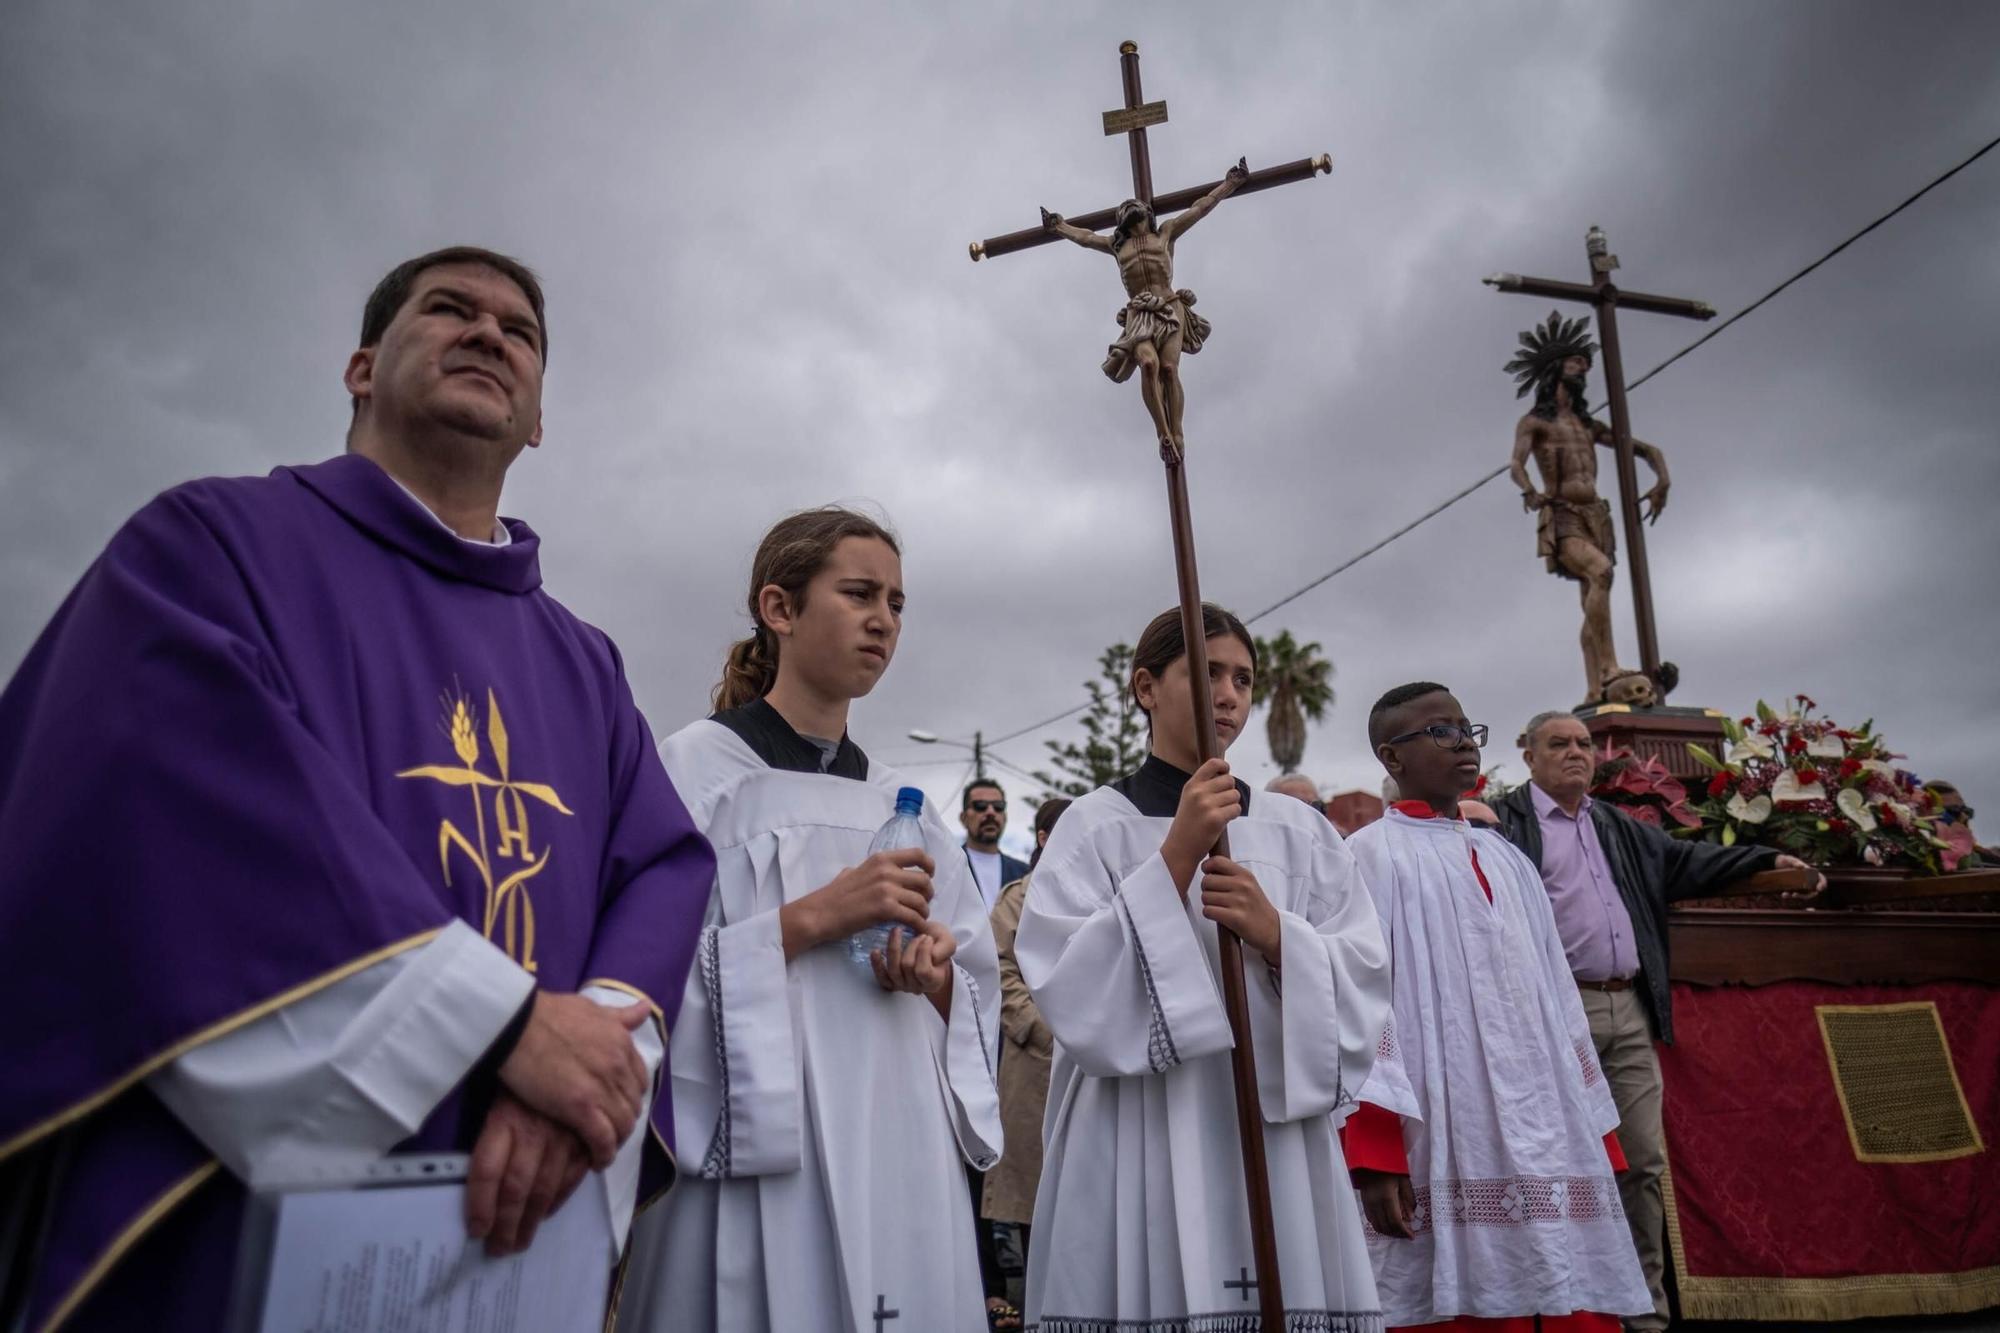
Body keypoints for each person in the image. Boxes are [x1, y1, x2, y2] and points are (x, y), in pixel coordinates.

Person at [0, 247, 715, 1331]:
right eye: (449, 310)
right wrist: (503, 1030)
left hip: (520, 1234)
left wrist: (590, 1068)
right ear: (360, 367)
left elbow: (660, 867)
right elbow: (170, 806)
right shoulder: (210, 545)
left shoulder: (585, 662)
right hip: (238, 1219)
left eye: (517, 330)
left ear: (538, 423)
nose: (488, 333)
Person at [618, 508, 1002, 1333]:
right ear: (779, 608)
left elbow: (975, 982)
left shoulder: (909, 804)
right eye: (859, 592)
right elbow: (632, 974)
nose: (884, 620)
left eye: (898, 603)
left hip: (896, 1137)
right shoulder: (691, 769)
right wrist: (810, 918)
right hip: (752, 1151)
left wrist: (936, 976)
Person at [1016, 604, 1391, 1331]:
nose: (1228, 694)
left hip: (1268, 1121)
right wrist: (1176, 856)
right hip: (1141, 1123)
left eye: (1244, 679)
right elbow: (1065, 980)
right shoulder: (1094, 823)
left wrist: (1279, 935)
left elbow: (1366, 969)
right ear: (1146, 687)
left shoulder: (1297, 829)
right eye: (1208, 672)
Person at [1493, 709, 1814, 1333]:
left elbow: (1694, 862)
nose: (1576, 753)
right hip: (1552, 1016)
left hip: (1631, 1011)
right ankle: (1565, 1312)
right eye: (1558, 743)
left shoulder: (1617, 826)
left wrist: (1774, 862)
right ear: (1528, 755)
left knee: (1640, 1163)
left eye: (1584, 743)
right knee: (1560, 1165)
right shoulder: (1503, 826)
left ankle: (1643, 1314)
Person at [1345, 683, 1651, 1331]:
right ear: (1390, 757)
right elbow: (1358, 1009)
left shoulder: (1508, 860)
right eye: (1438, 730)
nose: (1462, 741)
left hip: (1546, 1119)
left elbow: (1558, 997)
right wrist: (1375, 1152)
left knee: (1566, 1283)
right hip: (1442, 1122)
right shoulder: (1367, 858)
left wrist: (1594, 1128)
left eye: (1465, 727)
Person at [1504, 311, 1672, 703]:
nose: (1583, 368)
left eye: (1586, 363)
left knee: (1594, 595)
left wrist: (1661, 476)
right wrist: (1530, 489)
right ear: (1554, 368)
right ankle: (1610, 665)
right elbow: (1515, 463)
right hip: (1563, 513)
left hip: (1596, 514)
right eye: (1575, 361)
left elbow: (1644, 449)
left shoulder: (1587, 425)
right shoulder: (1535, 423)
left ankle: (1595, 689)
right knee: (1602, 572)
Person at [1039, 158, 1249, 454]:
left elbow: (1200, 208)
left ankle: (1177, 433)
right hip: (1138, 314)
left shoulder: (1165, 233)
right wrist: (1059, 226)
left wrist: (1229, 183)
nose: (1127, 208)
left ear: (1148, 214)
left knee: (1168, 369)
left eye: (1133, 206)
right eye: (1123, 208)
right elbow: (1086, 238)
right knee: (1148, 364)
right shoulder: (1116, 245)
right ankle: (1162, 433)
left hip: (1170, 307)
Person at [979, 796, 1071, 1325]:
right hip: (1037, 1064)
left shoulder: (1100, 888)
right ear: (1041, 839)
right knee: (1040, 1196)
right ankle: (1036, 1309)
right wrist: (1039, 1029)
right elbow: (999, 969)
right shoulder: (1018, 898)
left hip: (1096, 1063)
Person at [962, 779, 1031, 909]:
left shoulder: (1024, 874)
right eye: (980, 806)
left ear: (1005, 817)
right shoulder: (947, 867)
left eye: (998, 806)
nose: (990, 812)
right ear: (963, 817)